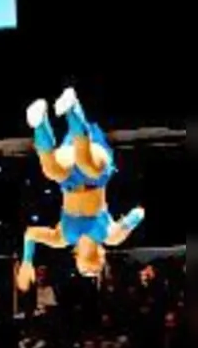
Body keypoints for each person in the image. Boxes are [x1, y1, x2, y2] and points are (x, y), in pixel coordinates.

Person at [18, 89, 144, 290]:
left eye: (85, 272)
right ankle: (72, 108)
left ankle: (40, 121)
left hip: (69, 182)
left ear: (76, 261)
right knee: (87, 164)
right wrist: (127, 224)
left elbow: (31, 233)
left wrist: (26, 261)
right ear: (103, 261)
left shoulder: (62, 239)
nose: (90, 271)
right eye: (96, 272)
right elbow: (139, 212)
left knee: (51, 170)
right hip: (97, 175)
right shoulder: (110, 236)